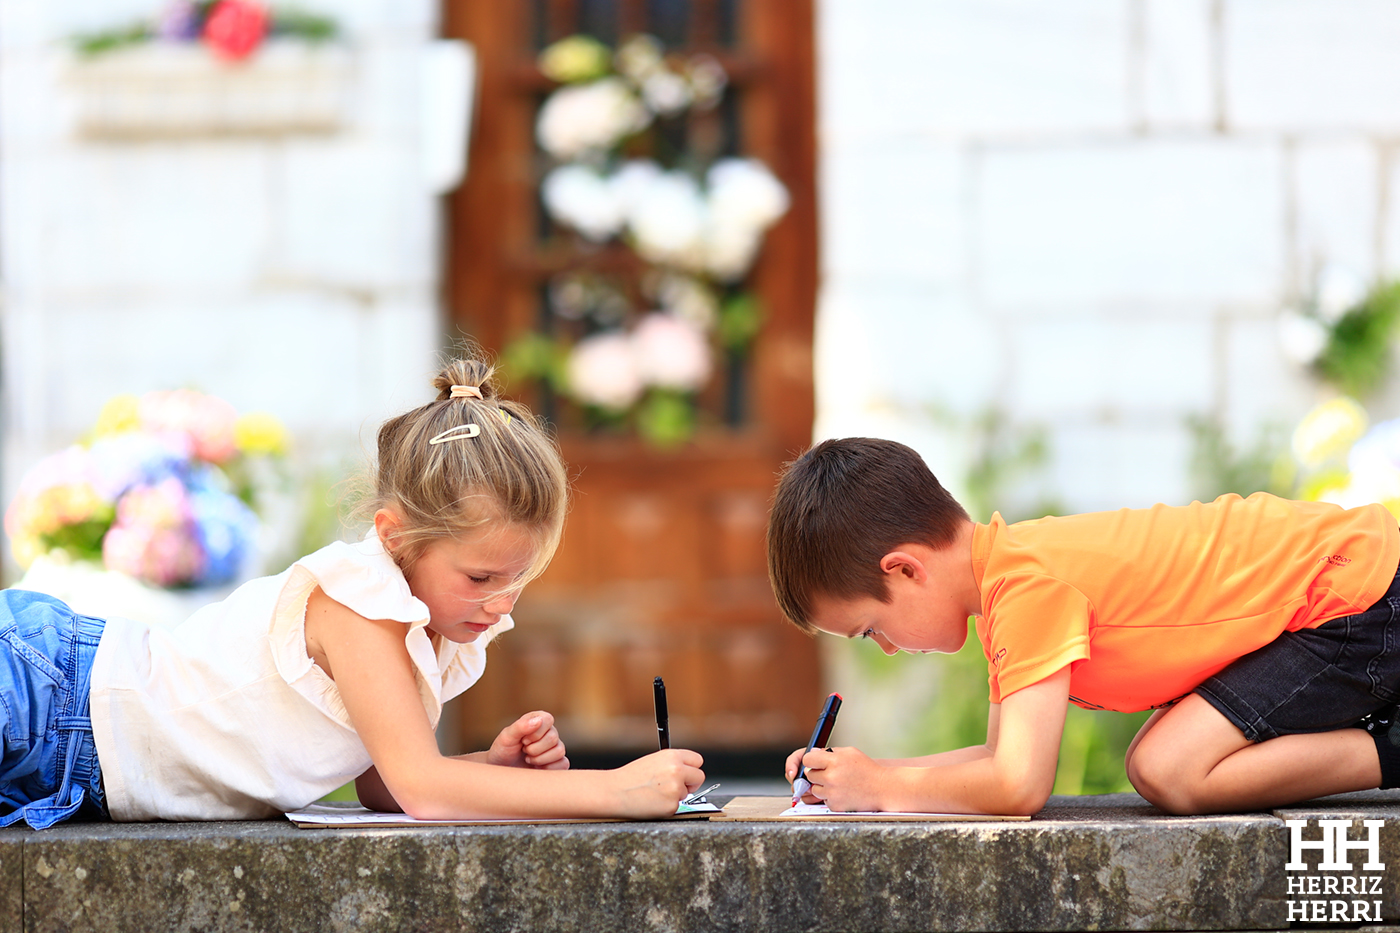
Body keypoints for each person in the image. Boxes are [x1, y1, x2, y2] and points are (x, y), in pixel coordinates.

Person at [0, 358, 704, 828]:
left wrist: (492, 769)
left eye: (518, 580)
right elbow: (424, 790)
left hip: (74, 750)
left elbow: (382, 783)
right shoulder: (361, 605)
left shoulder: (431, 628)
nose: (500, 606)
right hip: (52, 699)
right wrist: (614, 789)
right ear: (396, 537)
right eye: (481, 578)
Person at [767, 436, 1400, 816]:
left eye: (869, 629)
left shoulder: (1025, 589)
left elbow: (1017, 786)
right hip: (1343, 594)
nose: (884, 647)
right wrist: (869, 775)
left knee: (1169, 768)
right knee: (1163, 761)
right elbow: (995, 758)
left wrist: (881, 787)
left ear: (904, 570)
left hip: (1355, 597)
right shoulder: (1008, 575)